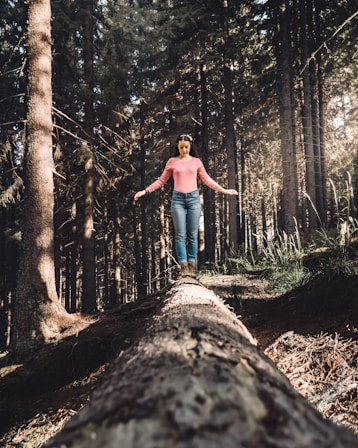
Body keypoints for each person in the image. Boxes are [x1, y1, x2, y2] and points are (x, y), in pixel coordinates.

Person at [134, 134, 238, 278]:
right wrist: (145, 191)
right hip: (178, 200)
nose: (184, 150)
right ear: (177, 146)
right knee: (180, 235)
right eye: (181, 147)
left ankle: (192, 266)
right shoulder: (172, 161)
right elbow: (161, 181)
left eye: (187, 147)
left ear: (190, 146)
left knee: (193, 234)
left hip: (193, 199)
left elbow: (207, 180)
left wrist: (224, 190)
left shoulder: (196, 162)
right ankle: (183, 267)